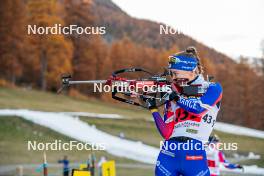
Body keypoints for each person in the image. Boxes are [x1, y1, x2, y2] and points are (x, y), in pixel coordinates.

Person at [143, 47, 223, 176]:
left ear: (190, 69)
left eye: (176, 73)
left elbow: (198, 109)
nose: (173, 78)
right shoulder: (174, 94)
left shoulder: (212, 88)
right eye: (171, 74)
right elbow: (167, 133)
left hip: (194, 152)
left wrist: (175, 97)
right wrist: (153, 108)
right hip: (168, 153)